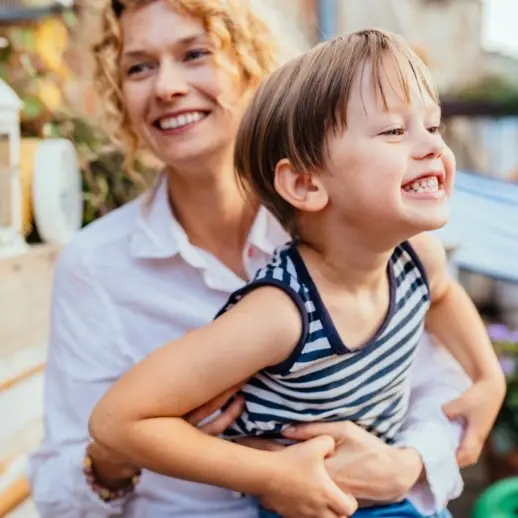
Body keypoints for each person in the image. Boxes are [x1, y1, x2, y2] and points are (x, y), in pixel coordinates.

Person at [27, 1, 488, 517]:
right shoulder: (99, 265)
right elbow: (77, 468)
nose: (166, 87)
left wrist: (407, 462)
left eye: (195, 53)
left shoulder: (370, 228)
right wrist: (116, 464)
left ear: (250, 61)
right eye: (140, 66)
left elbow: (438, 374)